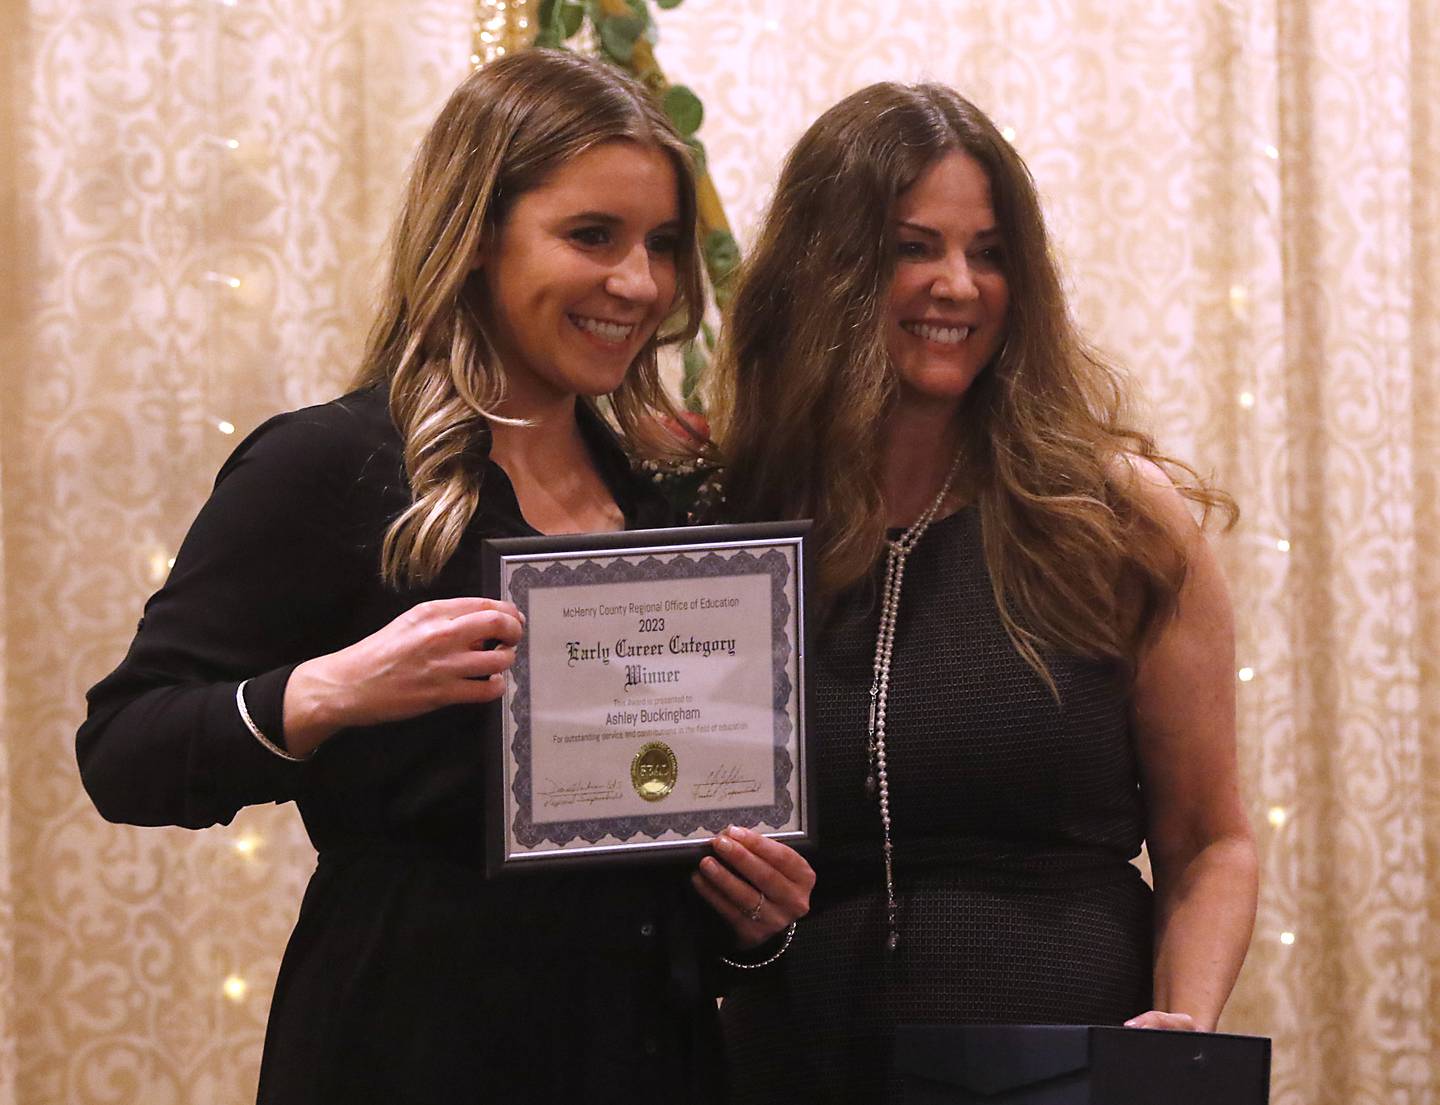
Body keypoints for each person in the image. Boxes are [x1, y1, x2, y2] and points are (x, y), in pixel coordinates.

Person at [76, 49, 812, 1105]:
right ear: (474, 238)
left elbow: (664, 867)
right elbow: (122, 752)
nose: (640, 283)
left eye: (659, 245)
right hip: (406, 1051)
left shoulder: (672, 502)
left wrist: (752, 927)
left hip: (645, 1060)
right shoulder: (331, 468)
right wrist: (329, 689)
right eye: (591, 236)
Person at [709, 81, 1259, 1104]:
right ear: (828, 267)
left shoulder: (1113, 516)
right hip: (795, 1065)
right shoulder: (728, 525)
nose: (957, 284)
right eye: (915, 246)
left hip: (1067, 1071)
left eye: (990, 252)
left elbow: (1211, 839)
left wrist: (1177, 1036)